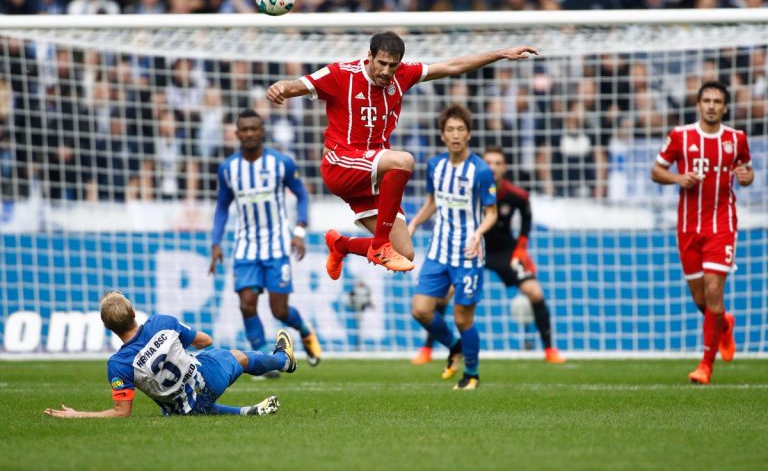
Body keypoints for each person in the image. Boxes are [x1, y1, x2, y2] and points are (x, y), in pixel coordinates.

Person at [267, 31, 537, 279]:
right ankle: (379, 245)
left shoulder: (404, 75)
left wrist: (500, 54)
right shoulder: (341, 74)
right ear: (369, 56)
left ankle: (341, 245)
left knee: (405, 253)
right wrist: (280, 87)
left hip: (372, 174)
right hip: (341, 163)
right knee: (404, 160)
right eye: (381, 63)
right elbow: (296, 85)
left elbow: (452, 66)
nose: (386, 71)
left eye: (392, 65)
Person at [411, 146, 566, 365]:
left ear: (505, 168)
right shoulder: (467, 189)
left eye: (498, 163)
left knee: (534, 292)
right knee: (443, 295)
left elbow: (526, 221)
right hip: (471, 249)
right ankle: (427, 349)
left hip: (504, 252)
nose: (492, 167)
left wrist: (521, 248)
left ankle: (549, 349)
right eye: (489, 163)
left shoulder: (517, 196)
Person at [43, 291, 295, 418]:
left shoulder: (118, 364)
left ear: (108, 327)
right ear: (133, 313)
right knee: (239, 356)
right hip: (209, 379)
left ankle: (244, 411)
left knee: (189, 405)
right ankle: (284, 361)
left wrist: (78, 414)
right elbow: (206, 341)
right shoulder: (161, 323)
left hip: (180, 409)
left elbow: (121, 412)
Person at [651, 80, 753, 385]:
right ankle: (724, 324)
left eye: (717, 101)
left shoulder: (736, 139)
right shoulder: (680, 136)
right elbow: (656, 171)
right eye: (706, 100)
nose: (711, 106)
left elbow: (747, 172)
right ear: (698, 105)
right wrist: (678, 178)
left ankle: (705, 367)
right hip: (688, 227)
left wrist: (746, 176)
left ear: (725, 107)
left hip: (722, 225)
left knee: (713, 290)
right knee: (701, 299)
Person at [209, 109, 321, 370]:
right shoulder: (228, 168)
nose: (249, 133)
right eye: (244, 130)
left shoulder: (281, 163)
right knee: (247, 305)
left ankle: (305, 331)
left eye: (254, 129)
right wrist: (216, 243)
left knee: (279, 311)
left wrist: (300, 231)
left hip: (277, 246)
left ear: (262, 131)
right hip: (245, 247)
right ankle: (263, 361)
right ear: (237, 134)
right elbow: (222, 207)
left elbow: (302, 195)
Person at [407, 105, 498, 390]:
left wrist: (478, 233)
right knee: (420, 310)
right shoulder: (435, 166)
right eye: (450, 130)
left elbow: (492, 213)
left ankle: (472, 374)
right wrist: (413, 224)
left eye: (460, 129)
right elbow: (433, 201)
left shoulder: (481, 171)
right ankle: (455, 346)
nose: (455, 135)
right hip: (438, 250)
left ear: (469, 134)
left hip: (469, 253)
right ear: (442, 135)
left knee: (462, 317)